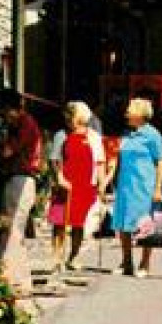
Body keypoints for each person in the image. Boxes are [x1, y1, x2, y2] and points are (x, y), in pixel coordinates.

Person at [0, 90, 43, 298]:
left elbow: (8, 151)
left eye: (3, 112)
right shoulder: (23, 124)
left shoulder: (25, 125)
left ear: (11, 109)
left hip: (20, 178)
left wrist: (1, 146)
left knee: (13, 230)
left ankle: (13, 278)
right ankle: (18, 277)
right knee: (14, 230)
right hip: (18, 179)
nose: (3, 117)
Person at [110, 97, 162, 278]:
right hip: (126, 184)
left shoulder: (152, 135)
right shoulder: (127, 134)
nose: (126, 113)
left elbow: (160, 161)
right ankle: (126, 261)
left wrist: (158, 188)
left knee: (146, 224)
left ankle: (145, 262)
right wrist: (110, 178)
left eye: (130, 109)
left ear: (141, 114)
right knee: (123, 222)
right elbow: (119, 158)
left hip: (144, 183)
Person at [47, 102, 104, 272]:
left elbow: (100, 161)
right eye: (67, 115)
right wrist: (59, 178)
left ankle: (74, 256)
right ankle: (56, 258)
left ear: (80, 118)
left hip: (85, 184)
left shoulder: (93, 136)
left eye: (70, 115)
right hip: (65, 183)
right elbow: (54, 160)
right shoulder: (61, 135)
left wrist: (101, 185)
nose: (67, 118)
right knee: (59, 222)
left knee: (79, 223)